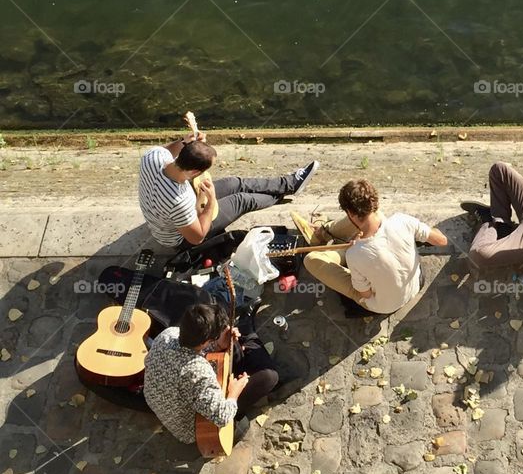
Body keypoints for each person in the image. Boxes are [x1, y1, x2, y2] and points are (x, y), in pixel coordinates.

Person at [137, 131, 318, 247]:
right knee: (241, 199)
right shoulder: (179, 200)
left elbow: (171, 149)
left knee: (233, 183)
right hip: (178, 238)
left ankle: (289, 184)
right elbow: (197, 237)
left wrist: (186, 141)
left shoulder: (153, 156)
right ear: (194, 172)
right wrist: (211, 202)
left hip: (167, 207)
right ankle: (277, 196)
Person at [302, 179, 447, 315]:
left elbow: (366, 294)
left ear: (349, 213)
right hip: (416, 285)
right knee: (368, 219)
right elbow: (441, 241)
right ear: (375, 201)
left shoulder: (354, 255)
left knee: (310, 259)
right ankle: (325, 232)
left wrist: (355, 251)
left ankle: (326, 236)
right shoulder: (403, 221)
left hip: (383, 306)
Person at [143, 302, 278, 447]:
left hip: (165, 402)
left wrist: (219, 345)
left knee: (237, 344)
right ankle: (250, 337)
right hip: (195, 428)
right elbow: (222, 417)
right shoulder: (199, 371)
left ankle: (248, 338)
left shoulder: (168, 334)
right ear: (206, 341)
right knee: (270, 377)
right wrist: (234, 392)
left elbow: (193, 350)